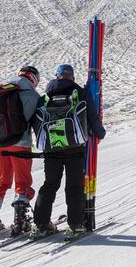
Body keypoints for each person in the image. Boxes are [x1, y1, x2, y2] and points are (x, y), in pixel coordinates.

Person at [32, 64, 106, 237]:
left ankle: (40, 225)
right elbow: (92, 117)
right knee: (74, 186)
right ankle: (75, 225)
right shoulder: (79, 93)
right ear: (72, 77)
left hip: (51, 148)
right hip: (75, 147)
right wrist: (100, 133)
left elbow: (36, 122)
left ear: (57, 77)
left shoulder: (44, 97)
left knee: (49, 184)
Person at [0, 65, 41, 236]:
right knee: (22, 183)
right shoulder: (32, 95)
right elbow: (36, 122)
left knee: (2, 182)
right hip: (20, 145)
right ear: (33, 79)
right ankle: (20, 220)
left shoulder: (3, 91)